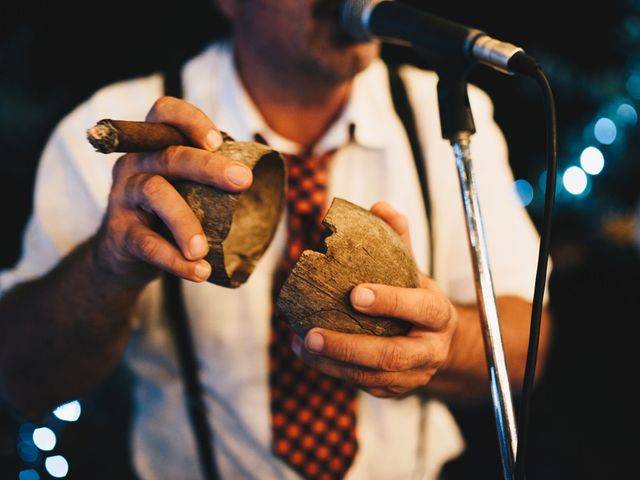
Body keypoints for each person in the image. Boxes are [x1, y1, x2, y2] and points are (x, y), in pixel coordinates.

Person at [0, 1, 551, 478]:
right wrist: (107, 264)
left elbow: (532, 341)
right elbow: (22, 379)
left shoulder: (451, 114)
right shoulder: (112, 132)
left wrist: (445, 342)